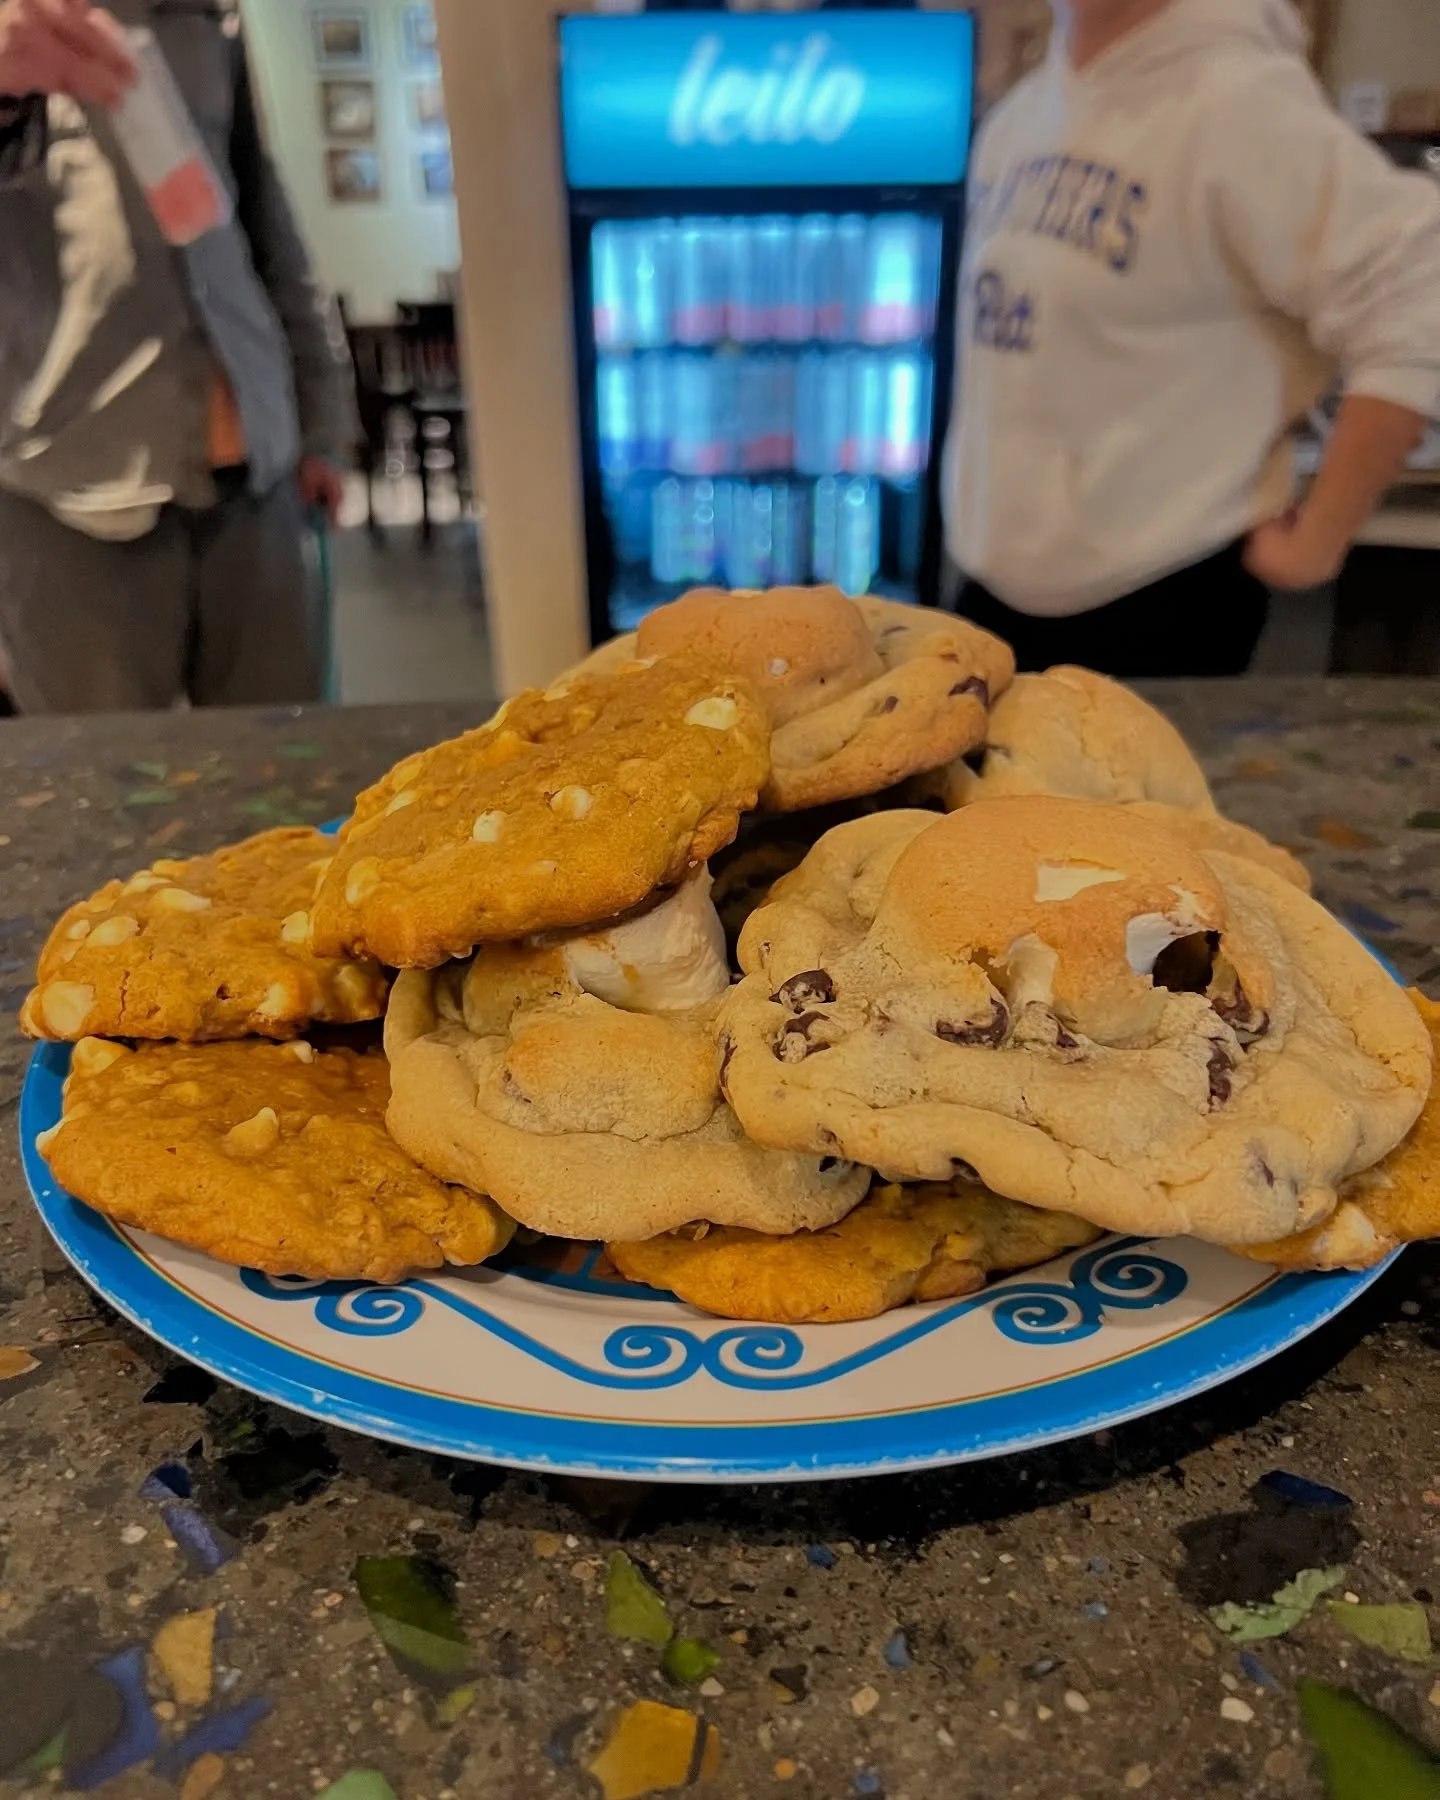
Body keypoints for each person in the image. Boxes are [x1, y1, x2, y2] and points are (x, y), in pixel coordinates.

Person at [943, 0, 1440, 678]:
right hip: (999, 591)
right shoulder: (1024, 115)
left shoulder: (1238, 101)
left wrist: (1321, 535)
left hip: (1152, 605)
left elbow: (1418, 279)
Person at [0, 0, 355, 712]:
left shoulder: (211, 18)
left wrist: (324, 420)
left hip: (259, 470)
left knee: (286, 781)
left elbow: (265, 221)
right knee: (98, 796)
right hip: (67, 485)